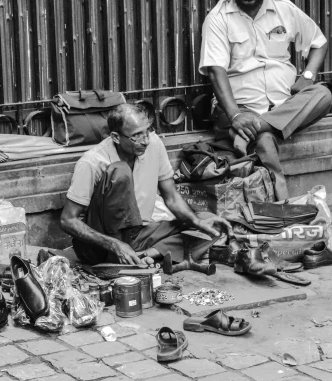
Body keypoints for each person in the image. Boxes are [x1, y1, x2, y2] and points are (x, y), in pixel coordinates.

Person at [199, 0, 332, 200]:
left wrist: (307, 76)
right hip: (239, 107)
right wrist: (236, 115)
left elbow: (319, 41)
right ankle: (281, 202)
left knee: (323, 94)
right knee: (264, 139)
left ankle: (256, 128)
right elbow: (216, 71)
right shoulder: (218, 17)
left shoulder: (284, 8)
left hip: (283, 103)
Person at [60, 103, 231, 266]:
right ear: (116, 137)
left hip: (137, 234)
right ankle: (127, 254)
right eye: (137, 135)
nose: (145, 140)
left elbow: (171, 197)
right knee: (120, 171)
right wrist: (114, 244)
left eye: (147, 131)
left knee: (210, 224)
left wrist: (196, 221)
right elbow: (68, 221)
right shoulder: (92, 162)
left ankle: (144, 255)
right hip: (100, 246)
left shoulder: (154, 144)